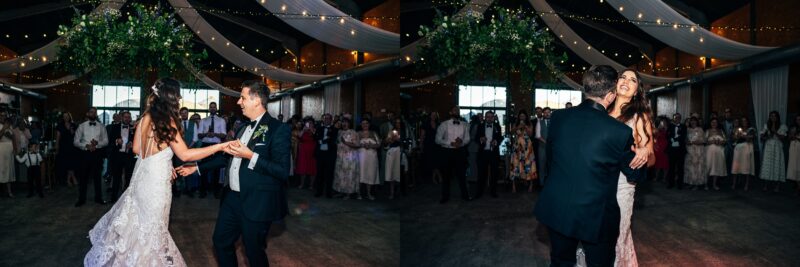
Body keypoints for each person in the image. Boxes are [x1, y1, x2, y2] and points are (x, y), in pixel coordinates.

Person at [84, 78, 235, 266]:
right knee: (154, 229)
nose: (179, 98)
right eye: (177, 95)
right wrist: (220, 147)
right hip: (156, 185)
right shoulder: (168, 121)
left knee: (139, 227)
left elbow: (137, 150)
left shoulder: (145, 118)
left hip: (142, 179)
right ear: (171, 97)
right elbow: (186, 154)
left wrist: (164, 163)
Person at [535, 65, 645, 267]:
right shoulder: (618, 132)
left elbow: (551, 160)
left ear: (586, 89)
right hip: (596, 215)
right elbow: (634, 174)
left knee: (561, 262)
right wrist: (641, 154)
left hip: (558, 207)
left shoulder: (558, 118)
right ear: (611, 96)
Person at [180, 80, 290, 266]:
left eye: (242, 97)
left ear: (256, 101)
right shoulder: (241, 128)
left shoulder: (278, 129)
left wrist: (250, 155)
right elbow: (226, 158)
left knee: (254, 251)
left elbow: (282, 171)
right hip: (231, 198)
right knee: (221, 242)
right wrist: (197, 167)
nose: (239, 102)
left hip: (257, 201)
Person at [73, 107, 109, 207]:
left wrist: (97, 144)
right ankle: (81, 199)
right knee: (83, 177)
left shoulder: (102, 126)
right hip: (85, 154)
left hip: (97, 154)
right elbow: (75, 141)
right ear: (87, 113)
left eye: (95, 112)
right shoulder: (81, 126)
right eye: (91, 112)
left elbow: (106, 141)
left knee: (97, 177)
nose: (93, 114)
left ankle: (99, 198)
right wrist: (86, 146)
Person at [435, 107, 471, 204]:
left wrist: (461, 142)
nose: (457, 112)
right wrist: (450, 143)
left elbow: (467, 139)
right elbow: (437, 139)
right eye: (455, 110)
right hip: (447, 152)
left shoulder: (464, 125)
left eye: (458, 111)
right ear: (450, 112)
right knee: (446, 175)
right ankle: (445, 196)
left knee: (462, 175)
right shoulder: (444, 124)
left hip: (460, 152)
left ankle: (465, 195)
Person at [197, 101, 227, 198]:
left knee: (216, 169)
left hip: (216, 146)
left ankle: (216, 191)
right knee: (204, 168)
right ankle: (203, 190)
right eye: (211, 107)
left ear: (216, 108)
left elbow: (224, 135)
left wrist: (214, 134)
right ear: (209, 109)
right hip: (205, 145)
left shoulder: (221, 120)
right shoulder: (203, 120)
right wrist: (206, 134)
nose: (213, 108)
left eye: (214, 107)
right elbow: (199, 135)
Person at [106, 111, 137, 202]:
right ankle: (113, 198)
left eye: (129, 117)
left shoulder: (133, 128)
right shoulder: (114, 127)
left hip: (129, 156)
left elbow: (137, 140)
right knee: (116, 177)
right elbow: (109, 141)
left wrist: (132, 144)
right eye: (125, 117)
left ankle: (126, 199)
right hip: (117, 155)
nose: (127, 119)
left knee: (128, 177)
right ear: (121, 117)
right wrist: (116, 141)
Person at [475, 111, 502, 198]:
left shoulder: (497, 126)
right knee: (481, 174)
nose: (489, 118)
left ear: (493, 118)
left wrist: (496, 141)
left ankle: (493, 192)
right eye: (488, 117)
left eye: (491, 117)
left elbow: (500, 137)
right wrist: (480, 139)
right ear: (485, 117)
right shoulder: (480, 126)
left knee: (494, 174)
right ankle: (479, 192)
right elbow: (475, 138)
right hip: (483, 153)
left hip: (493, 153)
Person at [510, 110, 537, 193]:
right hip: (517, 147)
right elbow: (511, 132)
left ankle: (531, 185)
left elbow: (531, 134)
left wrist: (525, 126)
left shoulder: (529, 124)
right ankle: (513, 186)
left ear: (526, 117)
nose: (522, 117)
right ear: (519, 117)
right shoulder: (516, 124)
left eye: (523, 116)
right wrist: (518, 127)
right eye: (521, 116)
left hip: (527, 147)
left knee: (529, 164)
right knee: (515, 164)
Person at [760, 111, 787, 192]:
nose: (773, 117)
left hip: (777, 146)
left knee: (777, 164)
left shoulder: (782, 126)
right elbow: (762, 137)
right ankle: (766, 185)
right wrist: (766, 136)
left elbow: (783, 138)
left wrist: (775, 131)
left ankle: (777, 186)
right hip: (769, 146)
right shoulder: (766, 125)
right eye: (771, 116)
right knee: (767, 164)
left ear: (777, 117)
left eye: (774, 116)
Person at [333, 118, 360, 199]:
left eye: (346, 122)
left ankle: (348, 193)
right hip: (340, 157)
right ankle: (340, 191)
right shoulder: (339, 132)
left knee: (348, 175)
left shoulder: (353, 132)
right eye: (343, 122)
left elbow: (357, 145)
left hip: (350, 158)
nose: (344, 124)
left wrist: (345, 142)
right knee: (340, 175)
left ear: (349, 123)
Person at [315, 113, 338, 198]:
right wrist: (322, 140)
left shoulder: (335, 130)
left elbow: (333, 141)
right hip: (320, 154)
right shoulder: (319, 128)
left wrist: (322, 141)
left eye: (328, 119)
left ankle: (328, 192)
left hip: (329, 155)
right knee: (319, 173)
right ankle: (319, 191)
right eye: (325, 118)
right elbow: (316, 138)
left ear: (331, 120)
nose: (326, 120)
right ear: (323, 120)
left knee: (329, 174)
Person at [357, 119, 380, 200]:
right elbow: (355, 144)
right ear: (361, 124)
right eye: (363, 123)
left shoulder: (374, 133)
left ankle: (369, 193)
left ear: (369, 124)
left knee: (370, 173)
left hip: (372, 156)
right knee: (361, 173)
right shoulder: (358, 133)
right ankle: (359, 193)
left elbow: (378, 144)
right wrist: (362, 145)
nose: (365, 125)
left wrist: (371, 146)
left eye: (366, 123)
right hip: (361, 155)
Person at [731, 117, 756, 190]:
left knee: (746, 166)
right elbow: (734, 138)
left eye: (745, 121)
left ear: (748, 122)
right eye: (742, 121)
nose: (744, 122)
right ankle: (734, 183)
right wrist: (736, 136)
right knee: (736, 166)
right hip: (738, 148)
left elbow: (750, 139)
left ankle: (746, 184)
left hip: (747, 148)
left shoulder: (751, 129)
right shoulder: (739, 129)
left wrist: (742, 136)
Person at [56, 112, 79, 187]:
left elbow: (77, 136)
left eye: (67, 116)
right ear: (63, 117)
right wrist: (57, 146)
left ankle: (69, 179)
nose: (66, 117)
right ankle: (72, 178)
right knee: (67, 163)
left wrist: (72, 132)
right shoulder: (60, 125)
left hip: (72, 146)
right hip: (63, 147)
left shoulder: (74, 125)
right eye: (64, 116)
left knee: (71, 163)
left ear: (69, 116)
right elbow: (58, 137)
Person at [705, 118, 727, 190]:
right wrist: (712, 142)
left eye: (715, 122)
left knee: (716, 167)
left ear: (718, 123)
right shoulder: (708, 131)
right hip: (709, 151)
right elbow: (704, 141)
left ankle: (714, 184)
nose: (714, 123)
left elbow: (724, 141)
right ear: (710, 123)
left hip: (719, 151)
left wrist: (720, 142)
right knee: (708, 166)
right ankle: (706, 184)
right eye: (712, 122)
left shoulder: (721, 131)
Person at [684, 117, 706, 190]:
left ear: (697, 122)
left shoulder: (700, 129)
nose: (693, 122)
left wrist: (696, 142)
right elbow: (685, 139)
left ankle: (697, 184)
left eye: (694, 121)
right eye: (692, 121)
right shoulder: (688, 129)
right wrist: (687, 142)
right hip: (689, 151)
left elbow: (704, 140)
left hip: (698, 151)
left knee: (697, 168)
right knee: (690, 168)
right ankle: (690, 182)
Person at [666, 113, 687, 189]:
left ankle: (679, 184)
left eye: (678, 118)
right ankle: (671, 183)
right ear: (673, 119)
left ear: (680, 119)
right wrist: (672, 140)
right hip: (672, 150)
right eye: (675, 118)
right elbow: (667, 135)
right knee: (671, 167)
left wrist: (677, 141)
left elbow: (684, 136)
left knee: (680, 168)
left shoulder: (684, 127)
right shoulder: (670, 126)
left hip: (680, 150)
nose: (677, 119)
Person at [296, 118, 317, 190]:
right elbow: (299, 136)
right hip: (304, 151)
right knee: (303, 167)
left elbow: (316, 136)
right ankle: (302, 184)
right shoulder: (304, 130)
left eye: (311, 123)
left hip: (312, 150)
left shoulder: (315, 130)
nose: (309, 124)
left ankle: (311, 185)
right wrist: (304, 130)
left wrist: (311, 129)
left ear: (313, 123)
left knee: (312, 167)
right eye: (308, 123)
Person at [535, 107, 552, 187]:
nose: (547, 114)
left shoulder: (554, 122)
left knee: (551, 166)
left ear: (550, 113)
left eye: (548, 112)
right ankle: (541, 184)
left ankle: (550, 185)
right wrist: (547, 142)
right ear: (543, 113)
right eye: (545, 112)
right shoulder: (539, 122)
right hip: (542, 148)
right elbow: (538, 136)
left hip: (552, 148)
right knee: (542, 166)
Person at [0, 117, 16, 197]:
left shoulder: (11, 127)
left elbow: (13, 138)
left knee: (9, 170)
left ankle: (9, 191)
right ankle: (4, 191)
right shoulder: (1, 126)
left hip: (9, 150)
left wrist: (15, 148)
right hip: (2, 150)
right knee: (2, 169)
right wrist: (4, 128)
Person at [787, 115, 800, 194]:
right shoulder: (793, 128)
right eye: (797, 119)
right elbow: (789, 138)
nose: (798, 121)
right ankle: (797, 184)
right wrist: (792, 135)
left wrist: (797, 137)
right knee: (794, 165)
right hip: (793, 147)